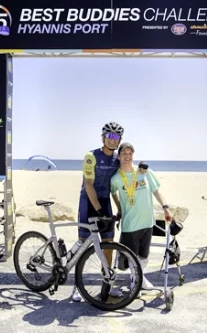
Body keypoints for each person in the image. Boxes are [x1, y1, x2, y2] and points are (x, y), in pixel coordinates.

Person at [70, 121, 125, 302]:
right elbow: (88, 184)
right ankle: (77, 286)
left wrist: (119, 207)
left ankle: (108, 285)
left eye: (116, 137)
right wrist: (99, 209)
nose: (112, 140)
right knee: (84, 243)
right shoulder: (91, 156)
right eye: (109, 136)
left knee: (108, 245)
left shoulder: (117, 159)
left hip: (104, 201)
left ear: (119, 140)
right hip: (88, 201)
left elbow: (114, 187)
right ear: (103, 137)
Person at [110, 142, 173, 291]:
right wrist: (119, 209)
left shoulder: (144, 172)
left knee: (144, 256)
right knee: (132, 257)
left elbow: (156, 191)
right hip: (130, 224)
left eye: (130, 153)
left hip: (148, 222)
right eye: (124, 153)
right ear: (118, 156)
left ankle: (140, 279)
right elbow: (113, 193)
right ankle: (135, 283)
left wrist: (166, 208)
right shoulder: (115, 179)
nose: (127, 156)